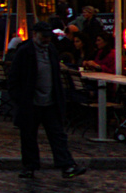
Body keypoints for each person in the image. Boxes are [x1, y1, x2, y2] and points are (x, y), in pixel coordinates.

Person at [6, 21, 87, 179]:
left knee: (57, 134)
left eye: (49, 37)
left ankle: (67, 165)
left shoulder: (50, 49)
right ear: (35, 34)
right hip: (31, 101)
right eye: (44, 37)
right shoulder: (25, 51)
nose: (47, 40)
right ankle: (30, 166)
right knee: (29, 135)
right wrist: (19, 99)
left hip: (50, 100)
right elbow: (14, 77)